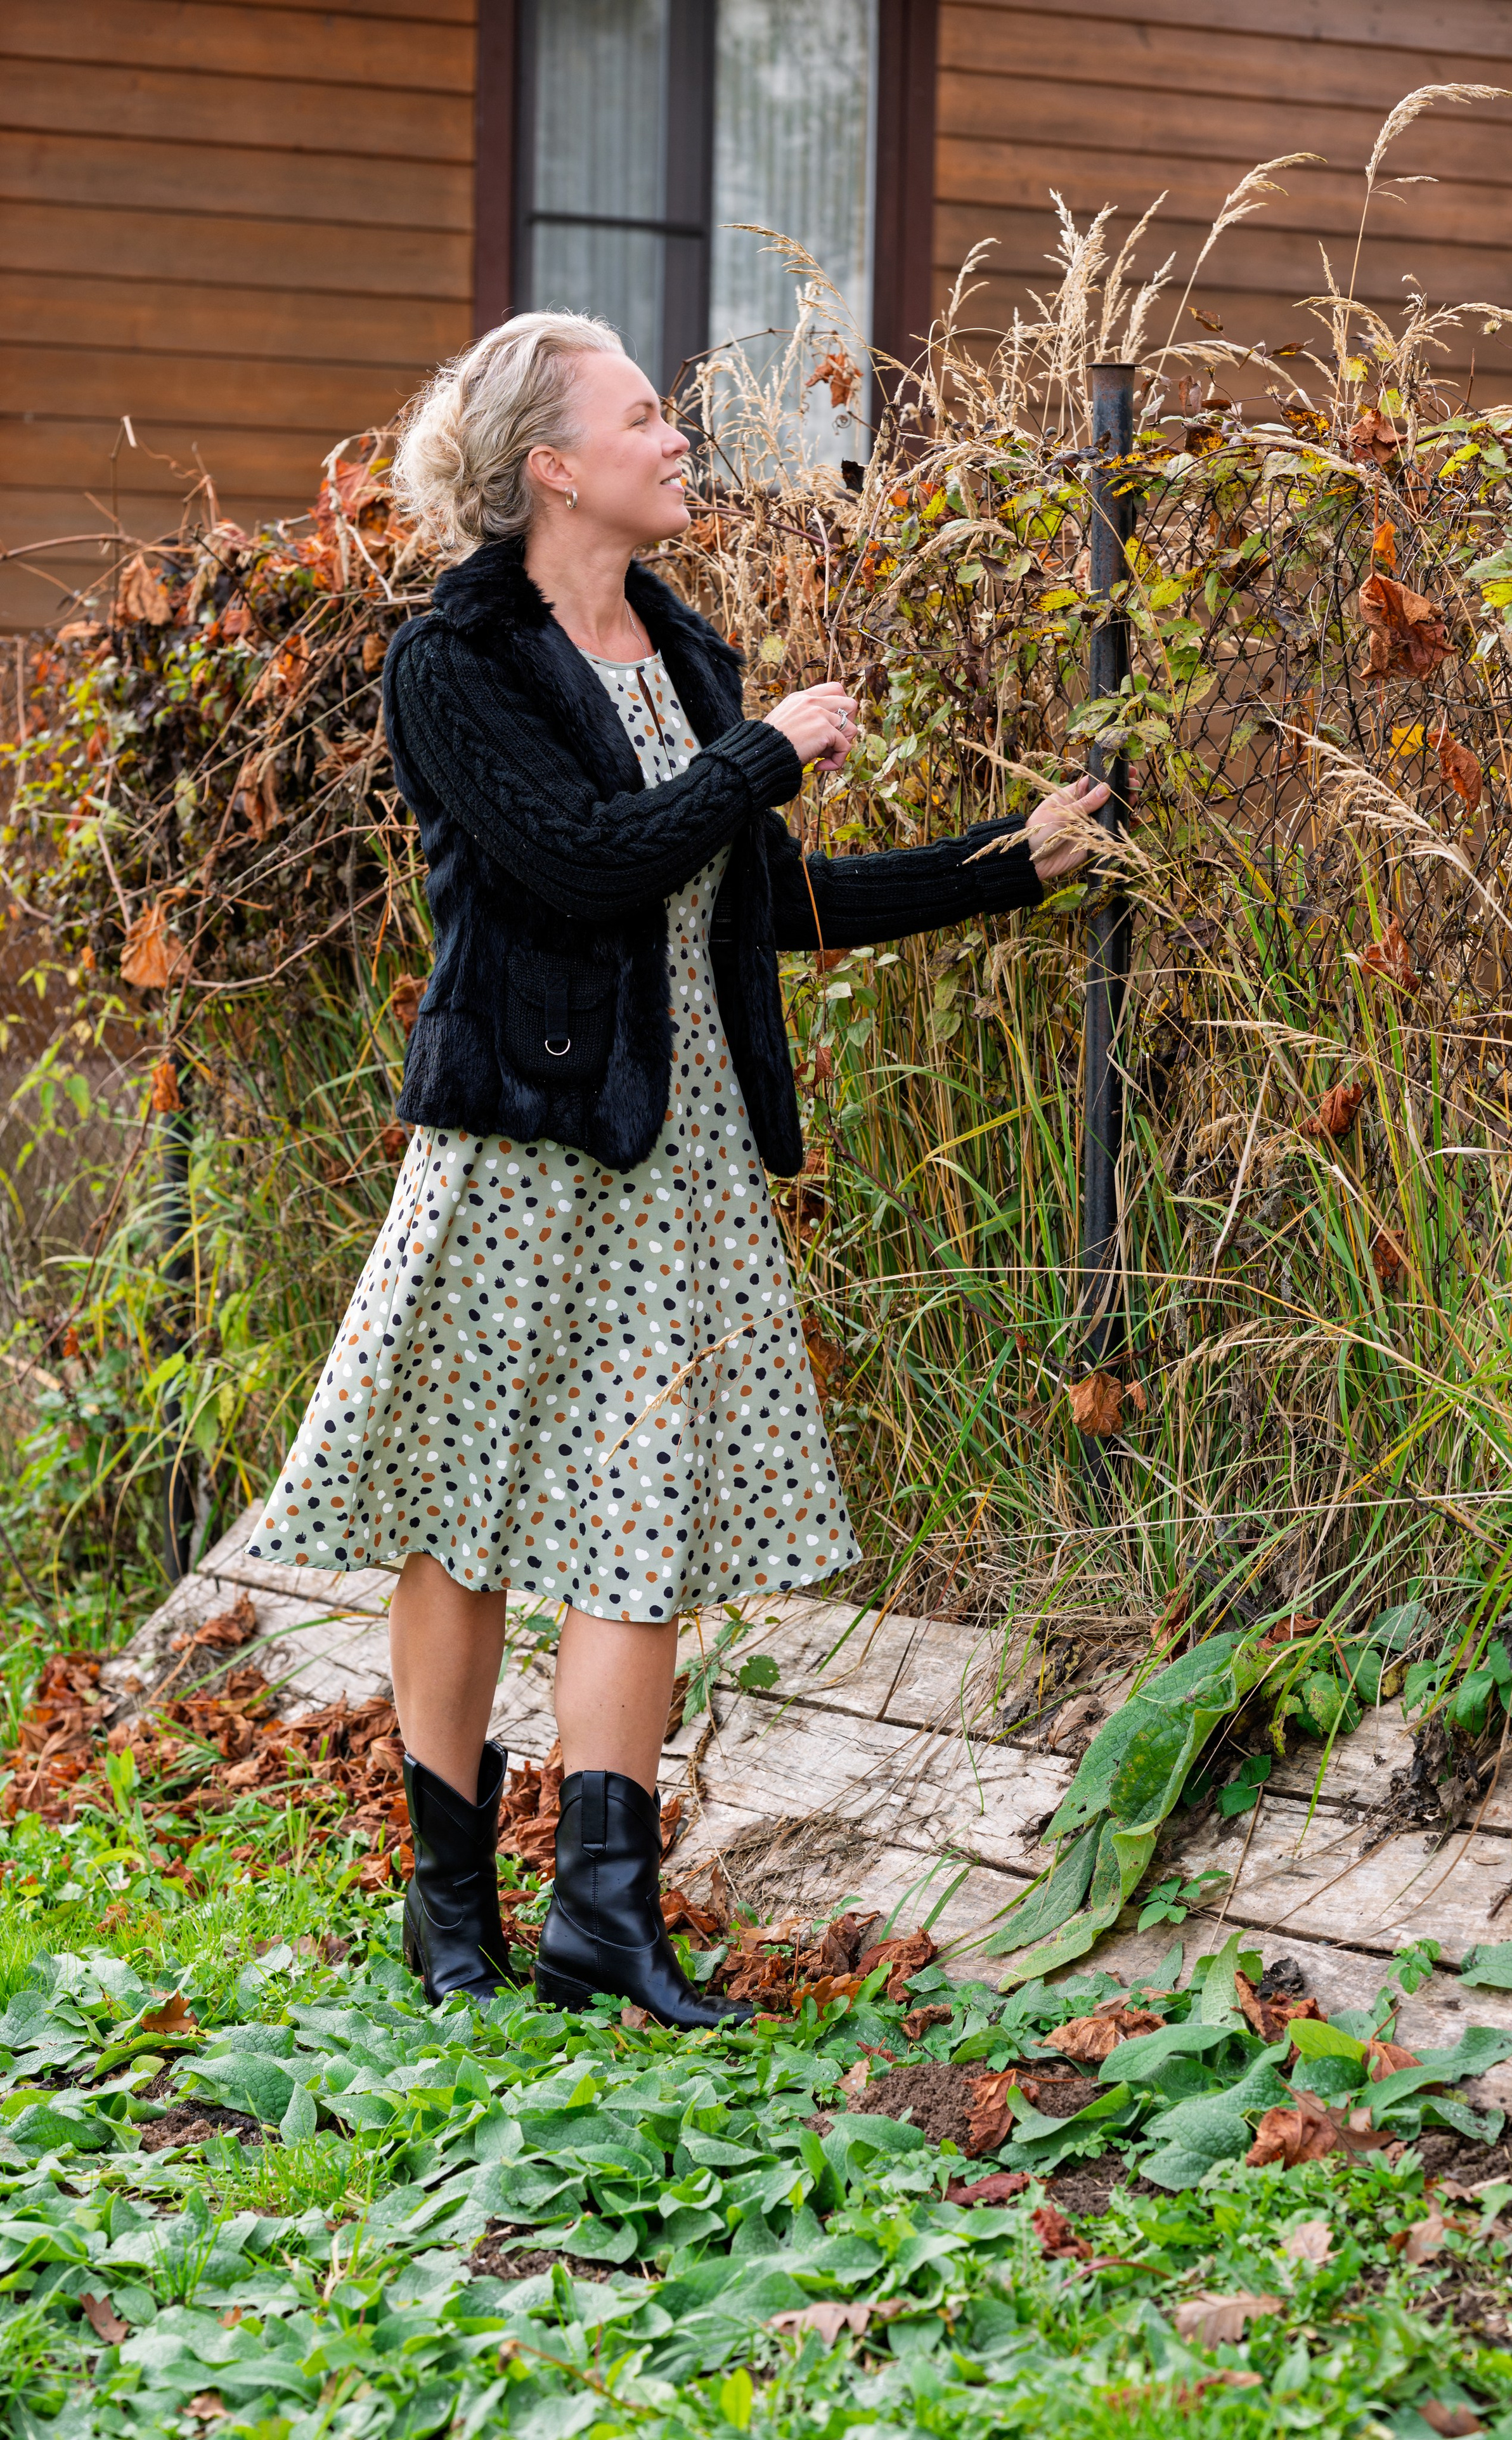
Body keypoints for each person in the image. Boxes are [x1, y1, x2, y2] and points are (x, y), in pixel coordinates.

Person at [249, 309, 1106, 2026]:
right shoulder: (456, 664)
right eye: (645, 415)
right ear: (553, 464)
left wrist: (1013, 861)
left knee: (632, 1518)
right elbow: (581, 865)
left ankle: (604, 1925)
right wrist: (759, 756)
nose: (678, 436)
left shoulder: (687, 652)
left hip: (682, 1154)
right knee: (464, 1509)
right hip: (519, 1144)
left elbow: (751, 901)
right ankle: (447, 1911)